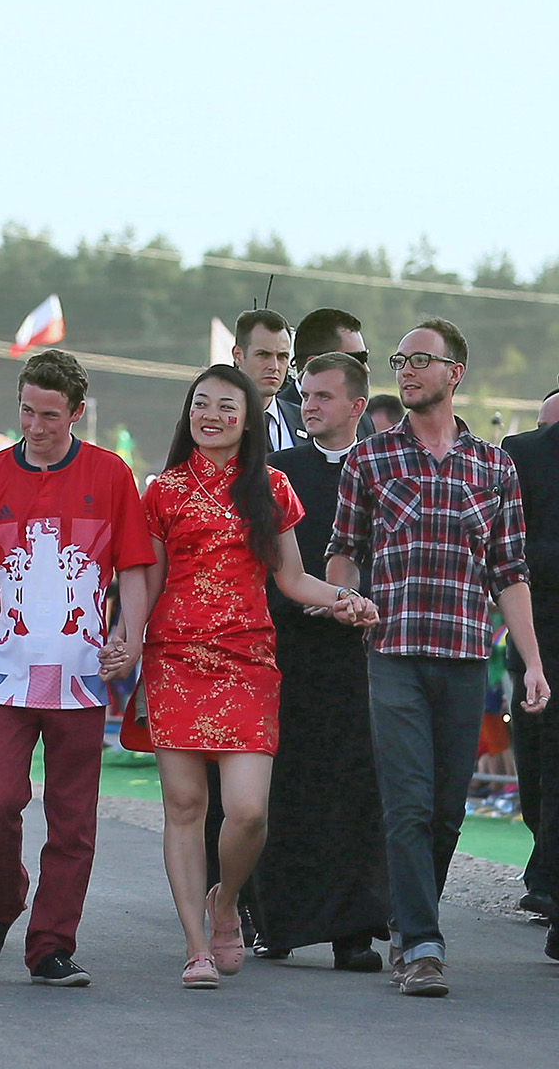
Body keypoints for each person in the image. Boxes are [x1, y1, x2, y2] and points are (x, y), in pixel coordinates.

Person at [327, 318, 550, 997]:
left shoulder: (494, 466)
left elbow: (510, 573)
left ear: (455, 373)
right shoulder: (371, 460)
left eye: (422, 360)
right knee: (406, 802)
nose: (407, 369)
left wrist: (534, 664)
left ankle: (407, 916)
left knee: (447, 808)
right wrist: (347, 599)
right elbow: (343, 551)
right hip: (393, 651)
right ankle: (422, 942)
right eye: (400, 360)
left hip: (462, 657)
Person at [137, 363, 376, 990]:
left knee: (247, 813)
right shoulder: (160, 490)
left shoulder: (270, 487)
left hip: (247, 660)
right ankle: (196, 945)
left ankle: (225, 901)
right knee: (185, 806)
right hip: (175, 658)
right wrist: (123, 640)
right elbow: (148, 581)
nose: (210, 416)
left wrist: (343, 600)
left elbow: (292, 580)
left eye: (225, 407)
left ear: (247, 421)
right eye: (200, 404)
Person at [0, 349, 153, 987]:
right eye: (27, 412)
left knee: (72, 818)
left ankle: (52, 945)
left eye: (50, 416)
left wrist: (130, 636)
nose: (35, 426)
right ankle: (3, 904)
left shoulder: (111, 474)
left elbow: (137, 569)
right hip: (3, 675)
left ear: (77, 413)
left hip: (83, 675)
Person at [253, 353, 389, 970]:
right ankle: (278, 922)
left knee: (355, 788)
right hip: (289, 650)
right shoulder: (276, 470)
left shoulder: (385, 470)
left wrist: (358, 607)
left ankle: (353, 931)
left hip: (361, 654)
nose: (308, 405)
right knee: (288, 787)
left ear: (358, 406)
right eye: (304, 395)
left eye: (323, 396)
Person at [501, 399, 559, 959]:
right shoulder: (521, 456)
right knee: (539, 765)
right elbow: (507, 552)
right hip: (539, 636)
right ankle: (545, 871)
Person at [277, 308, 376, 440]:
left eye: (365, 358)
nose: (366, 369)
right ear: (312, 364)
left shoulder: (361, 419)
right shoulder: (275, 419)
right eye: (354, 360)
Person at [231, 309, 304, 452]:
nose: (274, 367)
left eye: (282, 356)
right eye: (263, 355)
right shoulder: (214, 420)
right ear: (238, 355)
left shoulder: (305, 421)